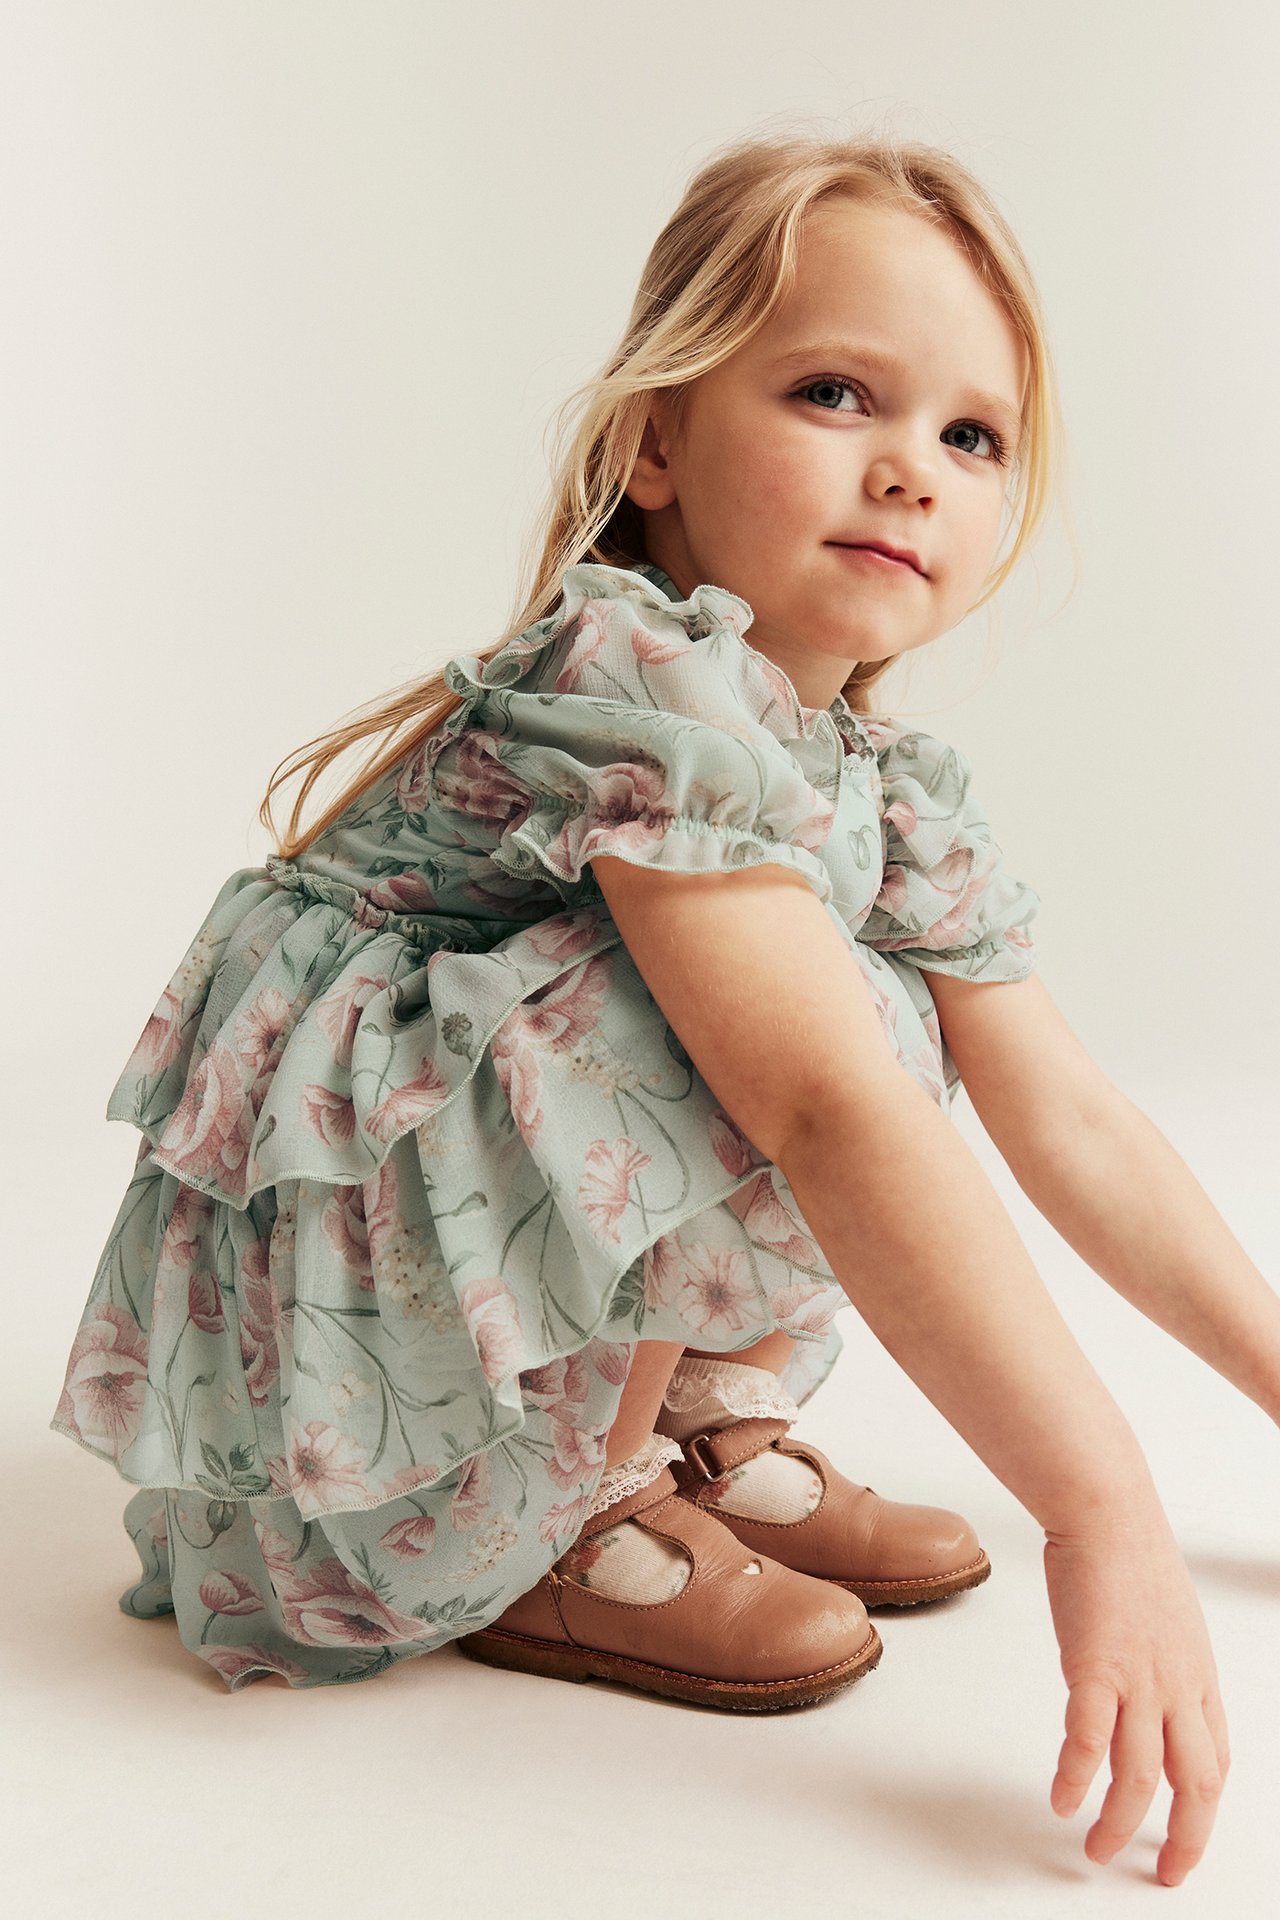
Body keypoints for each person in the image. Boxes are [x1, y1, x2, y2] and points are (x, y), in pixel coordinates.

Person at [51, 128, 1269, 1888]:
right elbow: (823, 1113)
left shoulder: (875, 775)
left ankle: (676, 1420)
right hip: (336, 1354)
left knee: (865, 1006)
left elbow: (1073, 1115)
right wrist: (1103, 1506)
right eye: (840, 392)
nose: (912, 469)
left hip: (449, 1261)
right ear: (659, 439)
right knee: (787, 1031)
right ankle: (552, 1511)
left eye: (971, 433)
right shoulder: (632, 680)